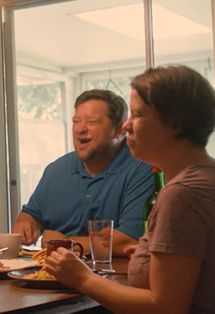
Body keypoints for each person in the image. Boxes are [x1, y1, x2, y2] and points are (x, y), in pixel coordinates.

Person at [45, 66, 215, 314]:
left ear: (175, 124)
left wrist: (82, 278)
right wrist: (153, 254)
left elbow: (164, 313)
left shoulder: (184, 193)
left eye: (137, 115)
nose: (126, 126)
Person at [13, 89, 152, 256]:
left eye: (91, 122)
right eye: (76, 121)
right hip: (49, 269)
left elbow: (130, 240)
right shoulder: (55, 170)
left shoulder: (144, 169)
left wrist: (66, 242)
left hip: (112, 271)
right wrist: (26, 225)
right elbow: (30, 216)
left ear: (118, 130)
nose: (80, 129)